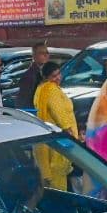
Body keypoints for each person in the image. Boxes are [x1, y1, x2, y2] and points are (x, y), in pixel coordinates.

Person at [33, 62, 76, 190]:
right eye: (53, 76)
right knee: (58, 179)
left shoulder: (40, 89)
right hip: (58, 141)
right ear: (46, 77)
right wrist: (70, 133)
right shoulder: (51, 89)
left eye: (58, 74)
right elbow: (59, 113)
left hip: (47, 139)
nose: (58, 78)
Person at [14, 43, 49, 109]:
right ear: (34, 56)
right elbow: (24, 102)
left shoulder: (46, 73)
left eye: (47, 52)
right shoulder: (29, 76)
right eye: (41, 53)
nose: (45, 55)